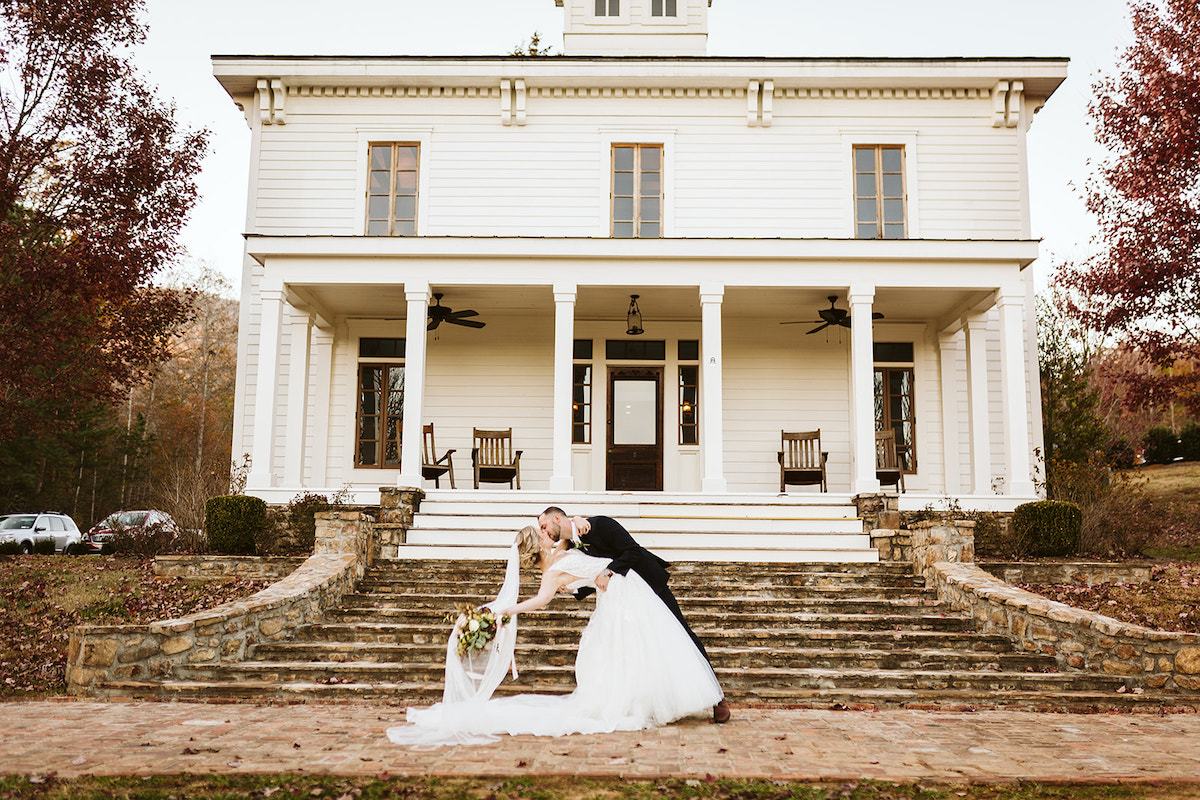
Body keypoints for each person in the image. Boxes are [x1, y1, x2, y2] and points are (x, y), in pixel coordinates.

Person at [386, 524, 723, 748]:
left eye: (547, 531)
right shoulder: (561, 555)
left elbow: (541, 600)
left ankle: (645, 701)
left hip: (621, 591)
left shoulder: (555, 564)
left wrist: (506, 612)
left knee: (623, 649)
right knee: (632, 649)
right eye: (543, 534)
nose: (548, 535)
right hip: (622, 588)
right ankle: (657, 698)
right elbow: (574, 556)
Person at [537, 506, 732, 724]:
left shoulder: (601, 524)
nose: (543, 531)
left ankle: (718, 699)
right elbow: (593, 572)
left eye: (544, 525)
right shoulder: (574, 543)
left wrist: (608, 571)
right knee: (645, 647)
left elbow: (632, 551)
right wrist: (573, 588)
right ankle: (656, 701)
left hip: (648, 583)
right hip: (627, 598)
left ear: (556, 518)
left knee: (682, 633)